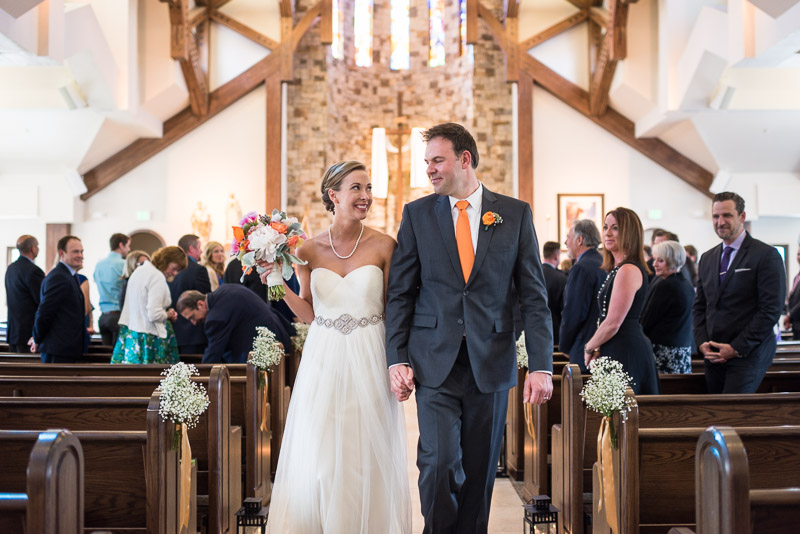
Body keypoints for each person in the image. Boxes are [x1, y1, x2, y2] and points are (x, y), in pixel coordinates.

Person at [385, 123, 553, 534]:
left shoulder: (513, 214)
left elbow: (533, 297)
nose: (430, 170)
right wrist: (397, 358)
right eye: (427, 163)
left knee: (479, 475)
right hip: (434, 360)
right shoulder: (418, 214)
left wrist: (542, 365)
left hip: (491, 360)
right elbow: (400, 294)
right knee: (438, 463)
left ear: (465, 159)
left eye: (437, 160)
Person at [263, 161, 410, 533]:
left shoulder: (384, 245)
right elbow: (308, 313)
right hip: (324, 358)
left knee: (365, 451)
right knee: (324, 452)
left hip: (370, 353)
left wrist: (401, 362)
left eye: (369, 189)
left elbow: (396, 310)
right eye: (357, 188)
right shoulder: (308, 250)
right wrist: (276, 283)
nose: (365, 197)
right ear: (334, 195)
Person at [693, 192, 786, 393]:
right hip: (714, 353)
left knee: (731, 414)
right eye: (715, 216)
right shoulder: (708, 258)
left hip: (748, 353)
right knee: (716, 412)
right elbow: (700, 306)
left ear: (742, 217)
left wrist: (735, 348)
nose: (720, 222)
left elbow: (770, 310)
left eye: (727, 215)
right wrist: (701, 343)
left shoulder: (765, 255)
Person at [584, 207, 659, 394]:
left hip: (626, 348)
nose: (608, 233)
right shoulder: (618, 269)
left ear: (629, 233)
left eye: (615, 228)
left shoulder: (628, 270)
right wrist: (598, 346)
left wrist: (589, 346)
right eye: (605, 227)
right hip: (615, 345)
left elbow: (613, 322)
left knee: (625, 418)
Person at [176, 286, 293, 363]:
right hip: (278, 335)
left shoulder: (215, 318)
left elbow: (214, 352)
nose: (194, 322)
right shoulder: (224, 290)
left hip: (266, 348)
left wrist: (201, 377)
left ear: (200, 304)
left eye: (192, 317)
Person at [112, 246, 187, 364]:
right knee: (152, 377)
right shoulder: (156, 276)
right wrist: (167, 314)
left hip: (133, 334)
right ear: (165, 260)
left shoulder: (140, 271)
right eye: (174, 268)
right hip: (149, 337)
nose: (174, 273)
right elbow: (154, 314)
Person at [559, 219, 606, 373]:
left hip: (584, 346)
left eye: (568, 237)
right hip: (602, 344)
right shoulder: (603, 262)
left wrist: (564, 345)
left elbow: (574, 312)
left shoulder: (581, 268)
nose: (566, 242)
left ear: (579, 240)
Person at [640, 241, 694, 374]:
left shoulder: (667, 285)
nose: (654, 264)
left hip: (665, 353)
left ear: (672, 261)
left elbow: (647, 320)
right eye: (655, 259)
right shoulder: (685, 282)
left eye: (660, 261)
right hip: (680, 352)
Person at [30, 235, 86, 363]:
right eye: (75, 251)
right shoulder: (59, 277)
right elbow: (44, 312)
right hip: (58, 350)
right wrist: (37, 338)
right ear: (62, 253)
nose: (80, 255)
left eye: (81, 251)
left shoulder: (70, 275)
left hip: (67, 348)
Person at [168, 234, 211, 354]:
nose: (201, 251)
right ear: (191, 249)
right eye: (199, 247)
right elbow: (205, 301)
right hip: (194, 334)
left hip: (175, 333)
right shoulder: (198, 270)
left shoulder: (169, 270)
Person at [4, 235, 44, 352]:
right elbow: (42, 301)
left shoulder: (11, 269)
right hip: (28, 333)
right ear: (33, 248)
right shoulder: (34, 271)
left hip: (13, 331)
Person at [94, 233, 130, 346]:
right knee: (118, 358)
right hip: (118, 315)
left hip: (103, 316)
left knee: (106, 358)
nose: (129, 249)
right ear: (121, 245)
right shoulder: (123, 264)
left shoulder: (99, 265)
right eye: (128, 246)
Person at [542, 241, 567, 347]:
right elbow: (564, 308)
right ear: (557, 256)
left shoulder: (533, 275)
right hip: (554, 331)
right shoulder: (561, 278)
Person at [785, 247, 800, 337]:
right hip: (796, 325)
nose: (799, 257)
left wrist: (790, 315)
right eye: (798, 254)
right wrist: (788, 314)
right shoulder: (796, 277)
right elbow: (792, 299)